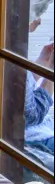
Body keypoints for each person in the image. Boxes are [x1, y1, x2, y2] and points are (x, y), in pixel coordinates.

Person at [24, 39, 54, 172]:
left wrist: (43, 62)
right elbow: (32, 114)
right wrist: (52, 71)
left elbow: (19, 88)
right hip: (32, 139)